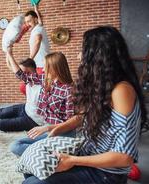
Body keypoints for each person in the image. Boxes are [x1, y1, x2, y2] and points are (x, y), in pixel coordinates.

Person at [22, 26, 149, 184]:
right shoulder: (102, 84)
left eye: (84, 50)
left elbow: (124, 158)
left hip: (105, 174)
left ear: (98, 56)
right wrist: (56, 129)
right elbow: (82, 117)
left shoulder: (121, 90)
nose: (79, 55)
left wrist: (73, 160)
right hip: (87, 152)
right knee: (30, 166)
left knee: (32, 182)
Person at [7, 49, 75, 156]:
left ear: (55, 69)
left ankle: (54, 154)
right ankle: (48, 153)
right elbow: (22, 76)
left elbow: (71, 123)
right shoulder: (45, 80)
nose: (43, 69)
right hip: (48, 129)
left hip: (63, 133)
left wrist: (47, 128)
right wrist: (9, 54)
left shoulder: (68, 90)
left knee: (17, 147)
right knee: (16, 144)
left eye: (46, 67)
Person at [0, 58, 44, 132]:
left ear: (30, 72)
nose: (22, 76)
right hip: (25, 108)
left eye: (24, 72)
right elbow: (15, 70)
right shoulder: (28, 79)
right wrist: (9, 54)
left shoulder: (40, 83)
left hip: (33, 120)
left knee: (1, 124)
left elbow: (19, 73)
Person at [20, 5, 50, 95]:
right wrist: (36, 9)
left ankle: (40, 105)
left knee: (24, 88)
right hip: (38, 65)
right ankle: (39, 104)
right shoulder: (39, 26)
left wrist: (30, 59)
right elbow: (40, 21)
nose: (27, 24)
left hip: (41, 65)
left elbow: (37, 41)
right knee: (27, 88)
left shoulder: (38, 30)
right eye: (26, 22)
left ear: (35, 20)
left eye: (29, 21)